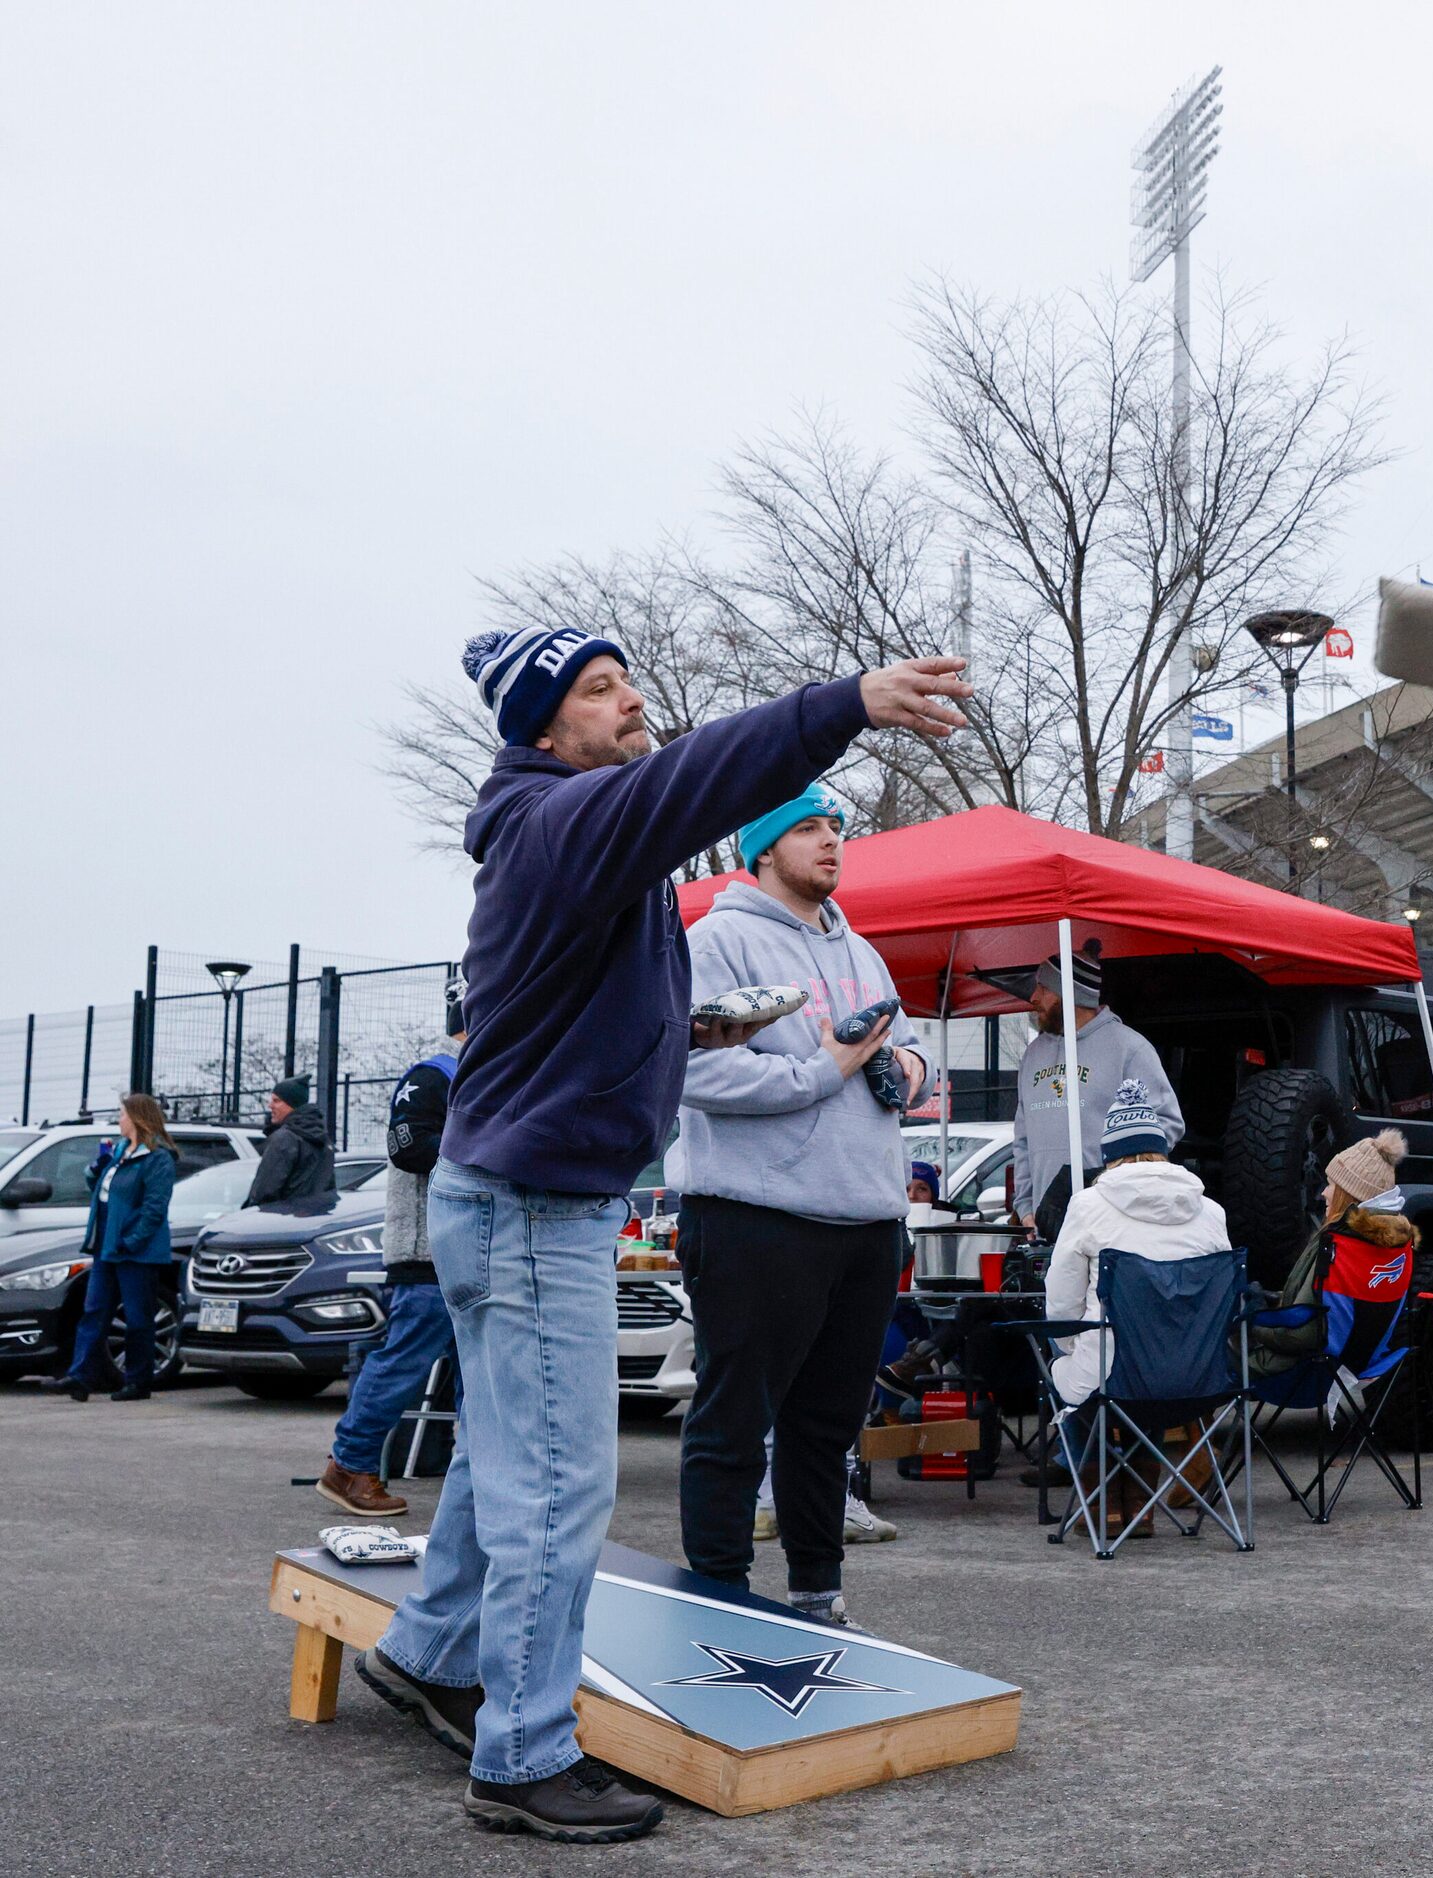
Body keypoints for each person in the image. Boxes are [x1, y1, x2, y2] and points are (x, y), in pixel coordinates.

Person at [348, 619, 970, 1847]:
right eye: (597, 689)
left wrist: (692, 1035)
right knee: (558, 1487)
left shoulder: (568, 847)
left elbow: (564, 1027)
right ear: (542, 726)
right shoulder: (563, 825)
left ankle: (427, 1653)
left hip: (512, 1196)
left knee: (494, 1457)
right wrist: (842, 700)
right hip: (530, 1211)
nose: (629, 703)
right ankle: (521, 1757)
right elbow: (692, 782)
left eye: (629, 681)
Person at [670, 782, 928, 1626]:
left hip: (865, 1220)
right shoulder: (716, 941)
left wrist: (915, 1072)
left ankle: (819, 1598)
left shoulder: (864, 951)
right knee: (734, 1425)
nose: (831, 842)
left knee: (827, 1430)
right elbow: (694, 1071)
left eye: (837, 829)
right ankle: (719, 1604)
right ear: (763, 850)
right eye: (809, 829)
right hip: (756, 1218)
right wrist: (827, 1070)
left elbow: (907, 1044)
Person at [1043, 1082, 1231, 1540]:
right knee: (1144, 1355)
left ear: (1110, 1155)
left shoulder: (1087, 1205)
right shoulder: (1211, 1212)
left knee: (1070, 1359)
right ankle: (1143, 1507)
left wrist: (1068, 1349)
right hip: (1198, 1379)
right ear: (1161, 1152)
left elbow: (1062, 1301)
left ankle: (1105, 1506)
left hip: (1116, 1377)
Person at [318, 996, 468, 1518]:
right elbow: (408, 1147)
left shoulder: (471, 1074)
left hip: (465, 1249)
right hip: (426, 1250)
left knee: (473, 1372)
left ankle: (473, 1478)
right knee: (405, 1361)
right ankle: (350, 1465)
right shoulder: (432, 1076)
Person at [1011, 946, 1180, 1245]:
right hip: (1045, 1227)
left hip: (1113, 1223)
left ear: (1072, 994)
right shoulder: (1032, 1055)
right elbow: (1022, 1141)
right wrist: (1025, 1207)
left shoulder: (1129, 1048)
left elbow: (1166, 1125)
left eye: (1044, 988)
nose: (1033, 997)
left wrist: (1107, 1176)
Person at [1251, 1128, 1416, 1380]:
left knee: (1212, 1353)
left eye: (1331, 1186)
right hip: (1363, 1366)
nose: (1323, 1193)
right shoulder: (1399, 1245)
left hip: (1300, 1372)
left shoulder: (1338, 1243)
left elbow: (1302, 1333)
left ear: (1349, 1195)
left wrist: (1251, 1325)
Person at [44, 1094, 179, 1402]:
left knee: (137, 1316)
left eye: (122, 1114)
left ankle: (138, 1381)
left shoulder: (158, 1158)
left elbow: (154, 1209)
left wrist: (131, 1241)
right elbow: (102, 1191)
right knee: (94, 1311)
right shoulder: (120, 1151)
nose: (118, 1120)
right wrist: (97, 1166)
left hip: (135, 1250)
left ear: (137, 1118)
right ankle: (80, 1377)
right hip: (106, 1245)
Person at [245, 1073, 336, 1207]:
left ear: (292, 1104)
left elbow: (265, 1191)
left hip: (281, 1221)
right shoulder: (323, 1140)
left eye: (277, 1101)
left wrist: (245, 1216)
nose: (270, 1106)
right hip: (317, 1220)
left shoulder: (284, 1139)